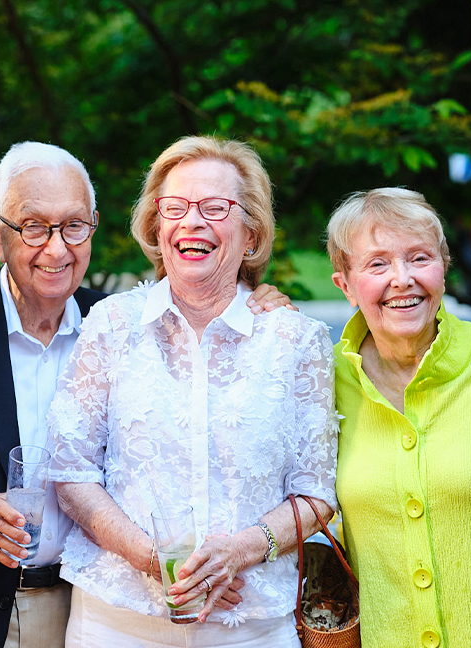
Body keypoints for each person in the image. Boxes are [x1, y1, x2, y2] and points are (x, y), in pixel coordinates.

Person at [0, 141, 291, 648]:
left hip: (79, 608)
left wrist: (254, 295)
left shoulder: (123, 327)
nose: (56, 248)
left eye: (73, 227)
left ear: (92, 226)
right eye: (33, 227)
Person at [47, 136, 339, 647]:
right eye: (175, 207)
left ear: (251, 235)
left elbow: (316, 494)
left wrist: (239, 551)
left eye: (215, 208)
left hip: (250, 629)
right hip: (116, 623)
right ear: (157, 228)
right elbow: (72, 472)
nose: (192, 221)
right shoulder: (112, 325)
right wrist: (156, 560)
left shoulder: (297, 340)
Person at [326, 187, 471, 648]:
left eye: (419, 258)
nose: (402, 279)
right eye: (377, 264)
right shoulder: (319, 380)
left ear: (444, 268)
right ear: (345, 285)